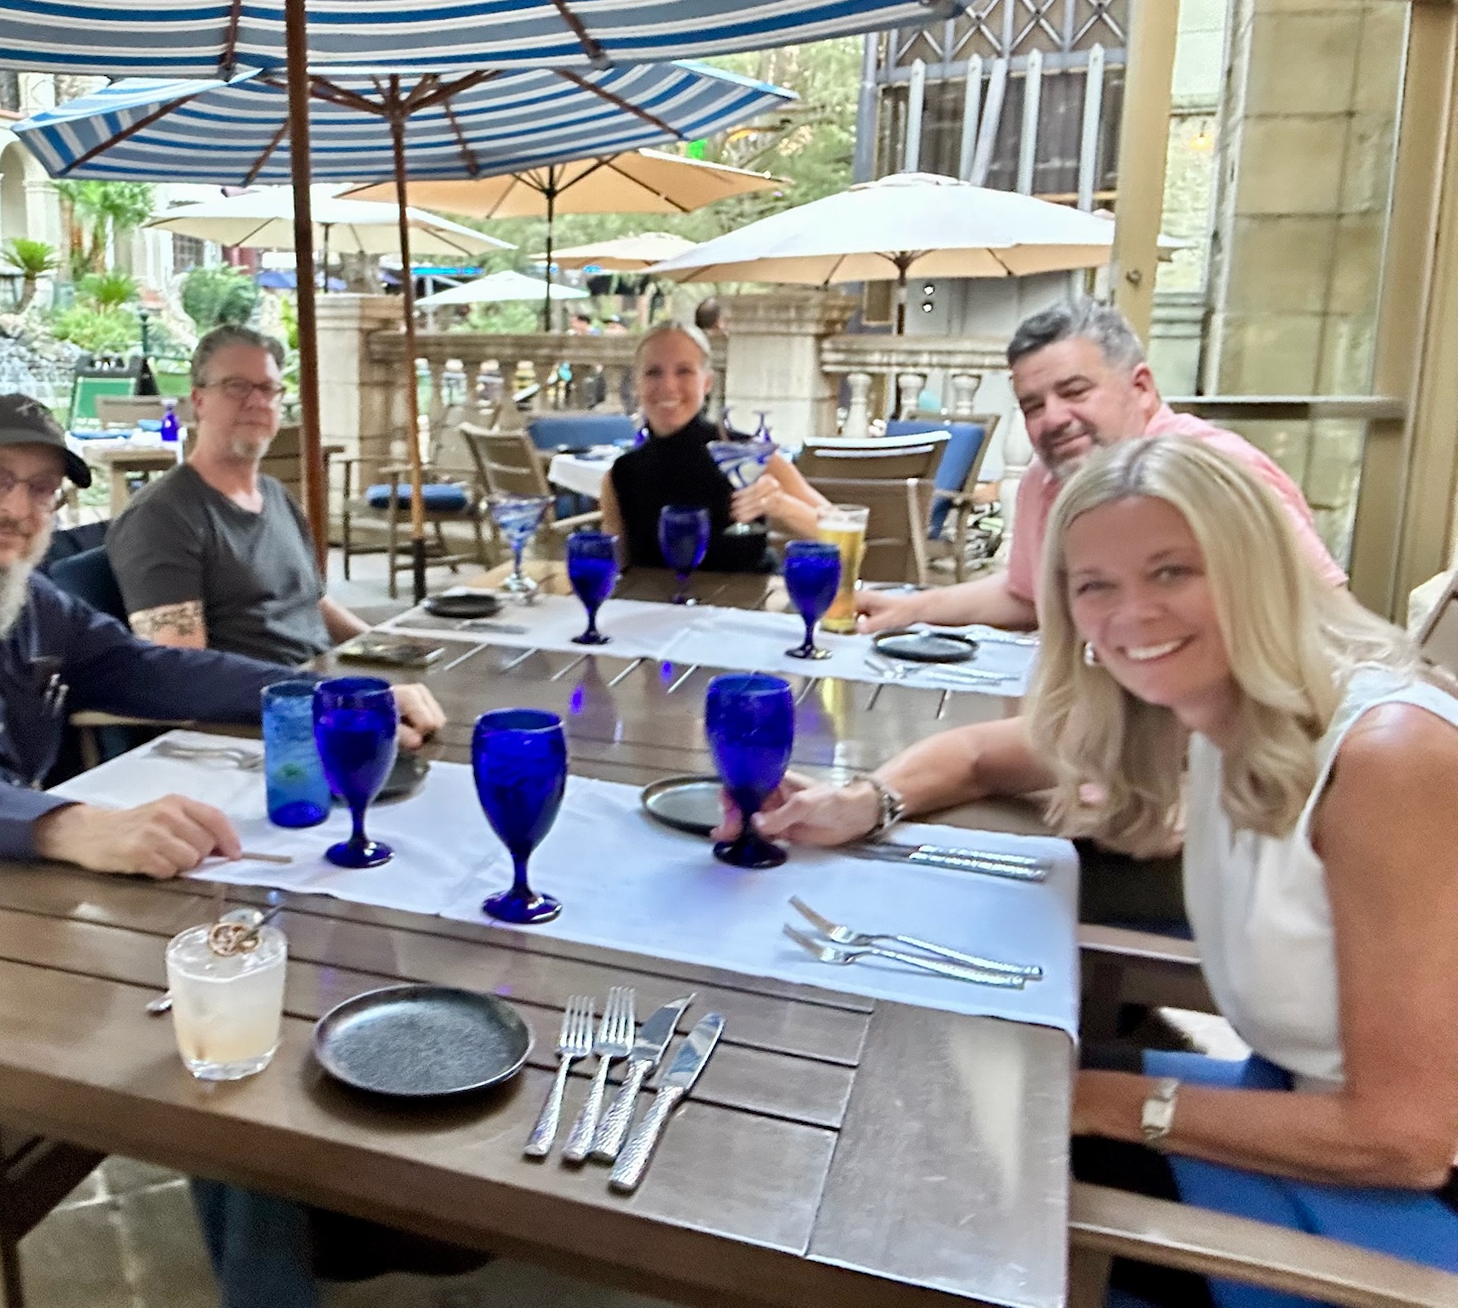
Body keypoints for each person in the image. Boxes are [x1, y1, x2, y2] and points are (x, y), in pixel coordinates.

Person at [753, 437, 1458, 1305]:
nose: (1134, 615)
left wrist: (1103, 1103)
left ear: (1257, 570)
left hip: (1399, 1214)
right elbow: (977, 755)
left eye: (1172, 571)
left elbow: (1405, 1139)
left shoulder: (1388, 757)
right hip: (1291, 1107)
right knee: (934, 1080)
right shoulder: (1208, 703)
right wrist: (864, 801)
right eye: (1096, 586)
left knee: (924, 1195)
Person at [0, 393, 443, 877]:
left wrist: (324, 698)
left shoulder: (30, 599)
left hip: (14, 871)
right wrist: (67, 826)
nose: (17, 508)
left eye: (42, 488)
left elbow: (150, 668)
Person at [853, 299, 1345, 635]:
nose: (1053, 419)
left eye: (1074, 392)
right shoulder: (1046, 480)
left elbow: (1329, 619)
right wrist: (912, 609)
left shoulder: (1216, 474)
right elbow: (1027, 596)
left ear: (1142, 389)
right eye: (1033, 406)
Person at [107, 325, 374, 666]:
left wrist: (389, 646)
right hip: (259, 696)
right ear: (199, 400)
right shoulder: (160, 517)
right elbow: (183, 670)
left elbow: (312, 603)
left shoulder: (276, 496)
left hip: (327, 681)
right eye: (237, 386)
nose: (257, 401)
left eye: (268, 388)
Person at [600, 321, 830, 569]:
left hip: (747, 595)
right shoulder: (622, 474)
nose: (668, 386)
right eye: (653, 372)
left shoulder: (745, 454)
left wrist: (782, 506)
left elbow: (844, 536)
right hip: (657, 596)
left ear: (707, 382)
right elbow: (615, 569)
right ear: (637, 384)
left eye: (684, 371)